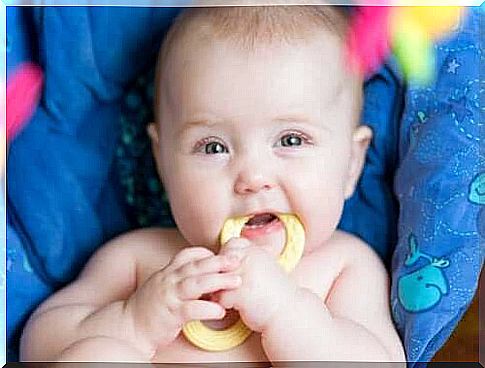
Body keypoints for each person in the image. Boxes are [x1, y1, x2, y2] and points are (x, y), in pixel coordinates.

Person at [20, 6, 405, 364]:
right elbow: (37, 347)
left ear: (352, 163)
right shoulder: (139, 260)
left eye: (290, 140)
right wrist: (134, 322)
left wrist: (286, 312)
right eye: (213, 146)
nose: (253, 179)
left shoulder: (343, 267)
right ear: (163, 161)